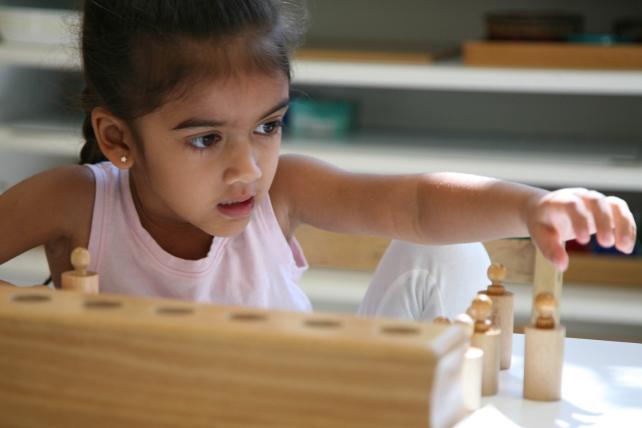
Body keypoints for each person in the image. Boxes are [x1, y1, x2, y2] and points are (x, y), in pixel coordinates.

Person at [0, 1, 636, 316]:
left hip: (293, 402)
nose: (247, 168)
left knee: (444, 247)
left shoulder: (283, 193)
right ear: (118, 141)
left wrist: (531, 204)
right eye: (205, 138)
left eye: (269, 126)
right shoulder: (74, 199)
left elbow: (416, 204)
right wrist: (38, 318)